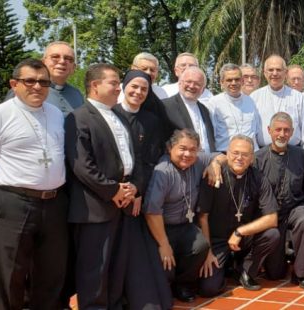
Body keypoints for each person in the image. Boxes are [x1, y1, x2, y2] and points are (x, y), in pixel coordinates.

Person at [0, 59, 69, 310]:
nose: (38, 87)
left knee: (51, 272)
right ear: (14, 84)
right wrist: (3, 192)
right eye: (30, 81)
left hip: (54, 203)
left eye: (43, 82)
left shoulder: (55, 114)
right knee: (11, 272)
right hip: (14, 203)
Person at [64, 63, 141, 308]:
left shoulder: (119, 115)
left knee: (117, 265)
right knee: (94, 269)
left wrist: (133, 186)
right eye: (114, 83)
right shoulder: (78, 118)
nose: (119, 88)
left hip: (123, 203)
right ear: (95, 85)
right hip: (95, 207)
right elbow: (81, 165)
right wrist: (112, 190)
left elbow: (131, 157)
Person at [112, 70, 173, 309]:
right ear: (124, 87)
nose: (138, 92)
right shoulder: (111, 114)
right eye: (134, 87)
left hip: (139, 194)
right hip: (113, 194)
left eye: (144, 89)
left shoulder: (151, 121)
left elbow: (150, 159)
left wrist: (138, 191)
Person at [196, 135, 280, 295]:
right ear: (227, 154)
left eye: (245, 154)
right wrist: (207, 252)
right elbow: (202, 217)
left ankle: (244, 269)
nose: (239, 158)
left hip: (244, 238)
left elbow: (272, 218)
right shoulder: (214, 174)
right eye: (235, 153)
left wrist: (240, 232)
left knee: (272, 234)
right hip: (217, 240)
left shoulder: (258, 178)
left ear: (252, 158)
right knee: (209, 288)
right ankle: (227, 265)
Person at [254, 112, 304, 289]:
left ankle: (300, 272)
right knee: (275, 274)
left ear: (292, 132)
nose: (282, 134)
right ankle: (282, 258)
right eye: (278, 129)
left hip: (295, 207)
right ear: (269, 130)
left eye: (286, 130)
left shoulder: (299, 154)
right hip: (271, 213)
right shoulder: (258, 158)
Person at [143, 129, 215, 302]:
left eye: (193, 149)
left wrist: (215, 165)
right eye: (182, 148)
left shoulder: (198, 161)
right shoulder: (163, 171)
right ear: (170, 148)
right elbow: (152, 211)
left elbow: (221, 156)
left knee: (201, 245)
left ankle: (183, 284)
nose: (187, 154)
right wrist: (163, 244)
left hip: (185, 225)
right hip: (162, 229)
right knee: (166, 268)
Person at [252, 55, 304, 156]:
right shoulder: (255, 97)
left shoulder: (297, 96)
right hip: (263, 154)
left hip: (293, 153)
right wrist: (256, 156)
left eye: (278, 70)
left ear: (285, 73)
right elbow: (251, 131)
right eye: (271, 70)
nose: (274, 73)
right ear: (265, 73)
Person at [6, 42, 84, 116]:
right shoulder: (24, 89)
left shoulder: (77, 94)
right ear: (43, 62)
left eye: (68, 59)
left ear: (73, 67)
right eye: (55, 57)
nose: (62, 61)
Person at [161, 67, 217, 153]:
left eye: (197, 84)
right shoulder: (166, 106)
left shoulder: (205, 109)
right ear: (180, 83)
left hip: (208, 158)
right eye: (188, 82)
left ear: (203, 89)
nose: (192, 86)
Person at [206, 63, 260, 152]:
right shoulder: (214, 103)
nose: (233, 83)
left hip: (251, 154)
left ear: (242, 81)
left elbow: (256, 130)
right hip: (226, 154)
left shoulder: (250, 101)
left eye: (237, 79)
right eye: (229, 80)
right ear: (222, 82)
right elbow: (210, 134)